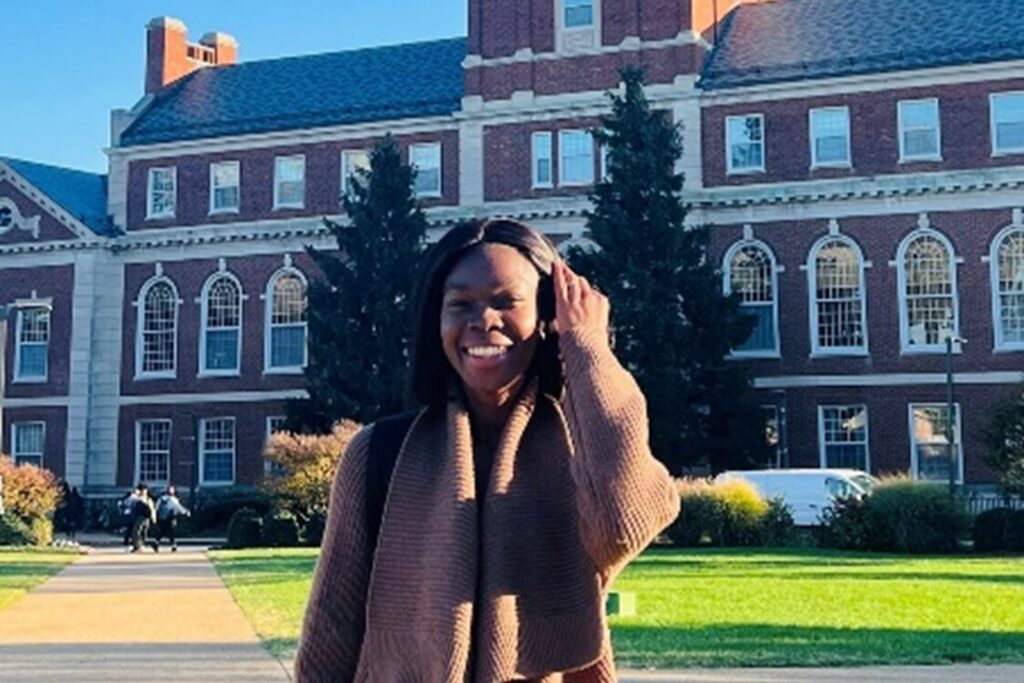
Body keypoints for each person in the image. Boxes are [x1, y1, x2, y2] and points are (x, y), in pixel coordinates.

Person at [295, 218, 680, 681]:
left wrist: (587, 346)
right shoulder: (379, 454)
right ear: (435, 321)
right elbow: (330, 635)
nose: (483, 322)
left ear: (546, 316)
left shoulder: (581, 449)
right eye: (460, 305)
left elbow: (623, 524)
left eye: (506, 302)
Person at [154, 485, 190, 552]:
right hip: (170, 518)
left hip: (161, 517)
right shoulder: (173, 499)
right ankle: (173, 545)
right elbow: (178, 507)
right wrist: (186, 512)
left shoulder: (161, 498)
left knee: (163, 531)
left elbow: (156, 508)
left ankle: (157, 543)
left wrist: (155, 516)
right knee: (171, 531)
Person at [130, 483, 159, 553]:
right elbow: (132, 498)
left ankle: (139, 545)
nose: (144, 491)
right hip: (139, 517)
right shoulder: (137, 497)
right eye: (142, 490)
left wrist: (154, 518)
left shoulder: (148, 499)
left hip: (145, 517)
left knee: (143, 532)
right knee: (137, 531)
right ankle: (137, 545)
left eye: (145, 490)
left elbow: (152, 509)